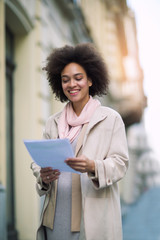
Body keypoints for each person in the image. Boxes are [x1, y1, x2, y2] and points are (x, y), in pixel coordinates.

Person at [31, 43, 129, 240]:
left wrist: (93, 166)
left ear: (90, 80)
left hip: (92, 219)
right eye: (65, 80)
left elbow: (120, 163)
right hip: (55, 218)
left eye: (78, 78)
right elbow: (38, 162)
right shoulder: (53, 122)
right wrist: (43, 174)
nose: (72, 85)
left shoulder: (110, 119)